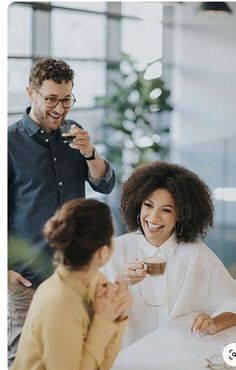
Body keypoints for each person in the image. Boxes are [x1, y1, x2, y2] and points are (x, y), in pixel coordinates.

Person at [8, 58, 115, 365]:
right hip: (27, 278)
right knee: (25, 357)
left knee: (74, 351)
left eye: (66, 99)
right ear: (31, 92)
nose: (60, 108)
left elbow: (105, 184)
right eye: (51, 99)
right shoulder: (9, 144)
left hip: (73, 272)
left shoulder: (74, 132)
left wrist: (90, 152)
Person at [102, 161, 236, 346]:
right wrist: (122, 281)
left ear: (182, 214)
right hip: (127, 358)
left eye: (166, 210)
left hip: (181, 355)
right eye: (148, 205)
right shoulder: (116, 249)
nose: (154, 218)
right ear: (137, 205)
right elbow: (91, 310)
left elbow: (232, 301)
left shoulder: (195, 253)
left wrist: (214, 323)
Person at [11, 198, 131, 370]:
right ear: (102, 253)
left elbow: (102, 364)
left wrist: (117, 317)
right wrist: (104, 320)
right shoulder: (58, 303)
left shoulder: (97, 282)